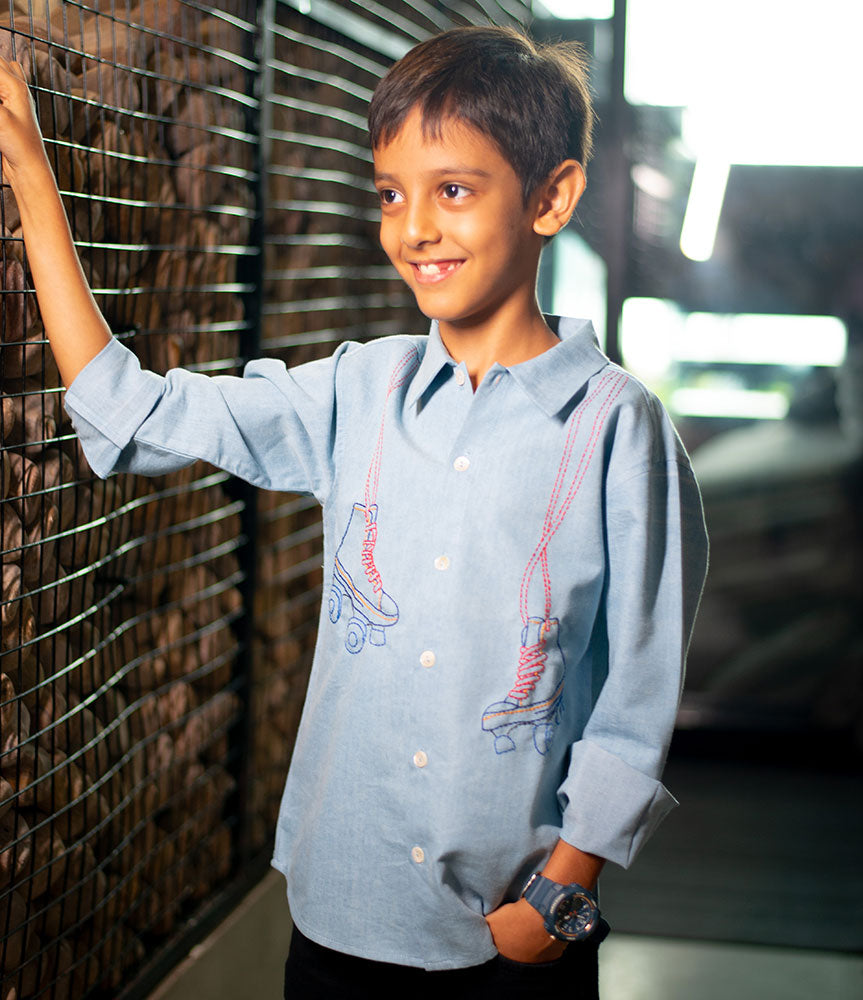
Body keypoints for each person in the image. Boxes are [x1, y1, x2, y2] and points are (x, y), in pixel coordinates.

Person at [0, 25, 708, 999]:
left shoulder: (617, 432)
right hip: (337, 928)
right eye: (389, 193)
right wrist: (34, 182)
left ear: (553, 197)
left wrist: (564, 889)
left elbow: (636, 687)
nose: (412, 227)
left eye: (452, 190)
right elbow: (131, 412)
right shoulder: (353, 395)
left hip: (511, 938)